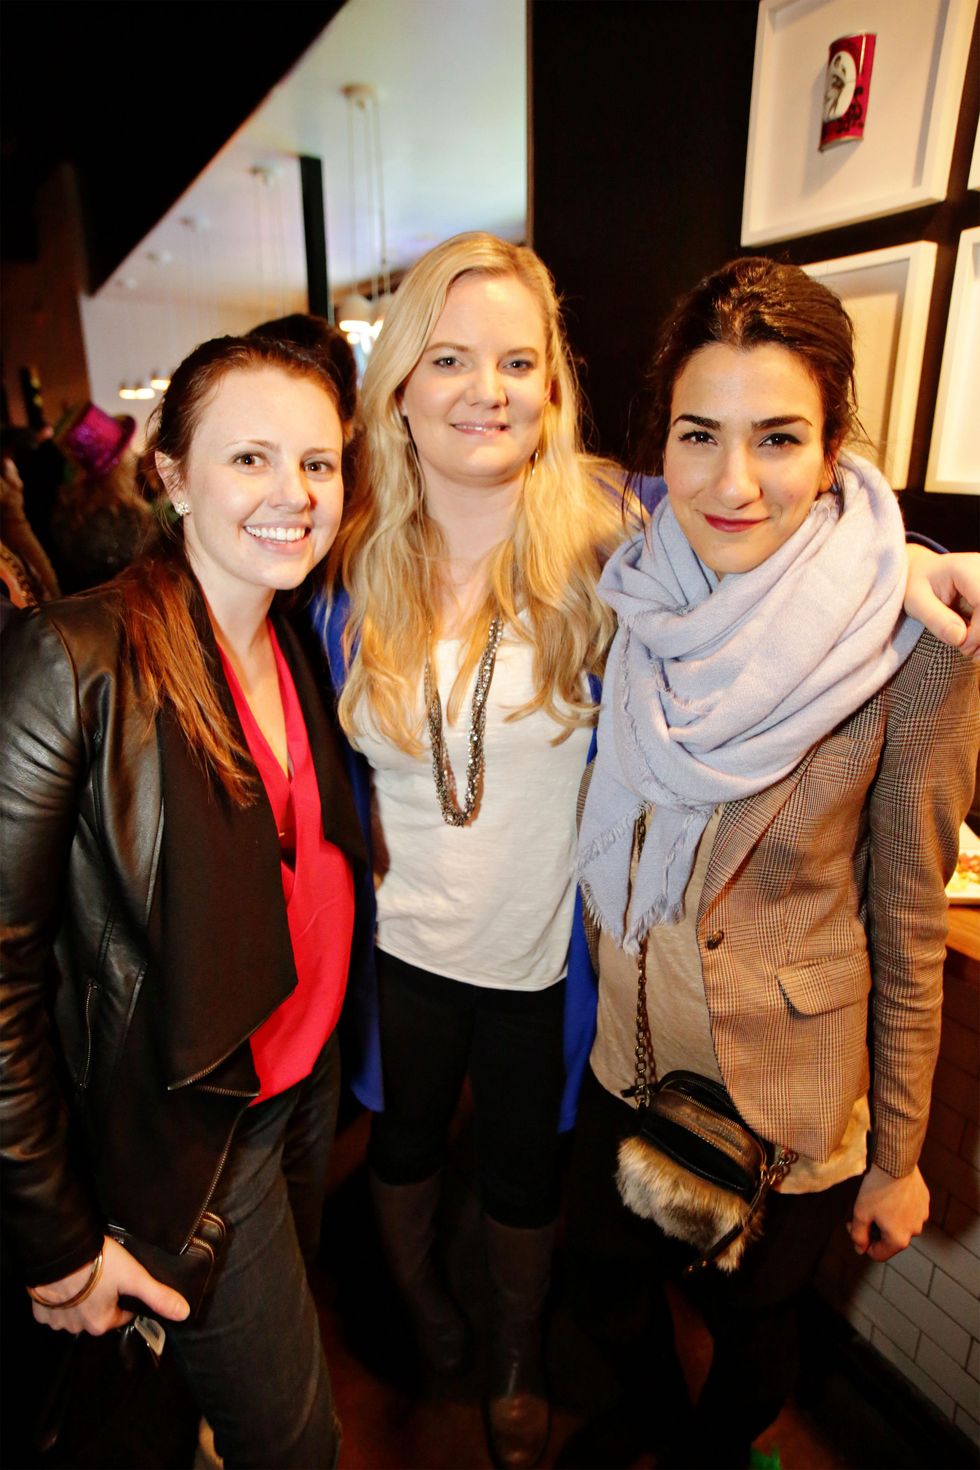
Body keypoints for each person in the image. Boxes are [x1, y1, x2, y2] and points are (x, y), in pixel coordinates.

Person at [315, 231, 979, 1470]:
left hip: (576, 978)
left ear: (553, 385)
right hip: (451, 972)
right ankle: (436, 1327)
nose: (485, 388)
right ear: (398, 378)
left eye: (518, 359)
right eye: (449, 357)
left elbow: (792, 561)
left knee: (572, 1214)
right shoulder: (359, 565)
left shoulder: (600, 537)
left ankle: (535, 1377)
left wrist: (916, 569)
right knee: (422, 1166)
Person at [568, 256, 980, 1470]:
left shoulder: (914, 642)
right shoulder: (641, 590)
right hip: (632, 1051)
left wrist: (897, 1159)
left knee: (753, 1329)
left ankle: (708, 1450)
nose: (732, 481)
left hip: (790, 1093)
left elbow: (908, 916)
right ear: (661, 441)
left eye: (778, 437)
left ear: (833, 440)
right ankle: (646, 1415)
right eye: (699, 434)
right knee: (606, 1282)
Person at [1, 334, 366, 1469]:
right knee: (299, 1442)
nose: (292, 496)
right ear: (169, 474)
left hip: (299, 1081)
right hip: (200, 1124)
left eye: (317, 463)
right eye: (249, 458)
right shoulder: (77, 655)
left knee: (225, 1397)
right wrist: (54, 1241)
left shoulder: (289, 631)